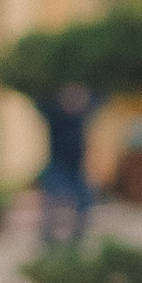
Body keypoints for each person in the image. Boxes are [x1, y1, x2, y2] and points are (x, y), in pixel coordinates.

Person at [36, 81, 94, 249]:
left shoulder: (81, 118)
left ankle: (77, 237)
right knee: (54, 200)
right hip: (58, 165)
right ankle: (48, 238)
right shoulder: (57, 118)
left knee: (84, 200)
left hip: (77, 168)